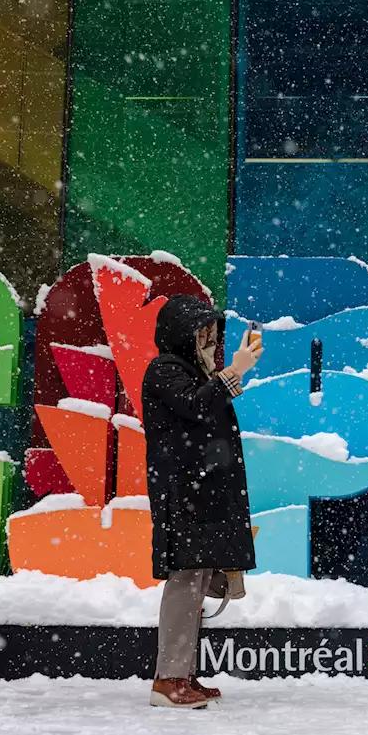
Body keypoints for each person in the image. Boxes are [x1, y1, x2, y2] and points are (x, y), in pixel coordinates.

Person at [142, 295, 262, 709]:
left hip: (200, 498)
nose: (210, 343)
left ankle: (182, 674)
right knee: (185, 584)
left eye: (212, 334)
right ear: (181, 335)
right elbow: (196, 407)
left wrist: (222, 374)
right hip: (183, 498)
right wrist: (234, 372)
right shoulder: (165, 370)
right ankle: (168, 680)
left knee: (194, 587)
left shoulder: (189, 372)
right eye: (202, 334)